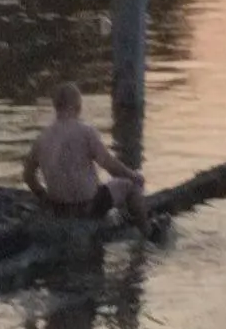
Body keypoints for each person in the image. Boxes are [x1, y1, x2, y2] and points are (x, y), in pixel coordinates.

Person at [23, 82, 153, 236]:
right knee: (129, 186)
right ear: (78, 106)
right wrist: (134, 175)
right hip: (89, 206)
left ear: (55, 107)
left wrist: (42, 195)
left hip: (59, 209)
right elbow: (109, 165)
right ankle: (148, 233)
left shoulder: (41, 139)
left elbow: (28, 176)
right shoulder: (86, 132)